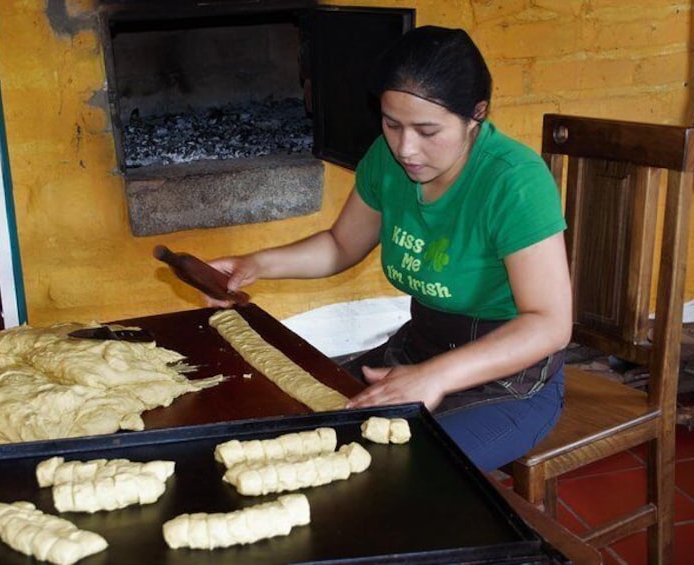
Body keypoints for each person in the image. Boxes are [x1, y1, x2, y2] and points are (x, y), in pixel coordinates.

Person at [204, 26, 572, 472]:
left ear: (477, 114)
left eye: (427, 130)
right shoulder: (387, 159)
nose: (405, 148)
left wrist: (436, 376)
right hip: (418, 353)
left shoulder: (513, 182)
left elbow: (549, 324)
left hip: (507, 378)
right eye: (391, 123)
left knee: (393, 474)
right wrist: (254, 264)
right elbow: (341, 245)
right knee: (298, 426)